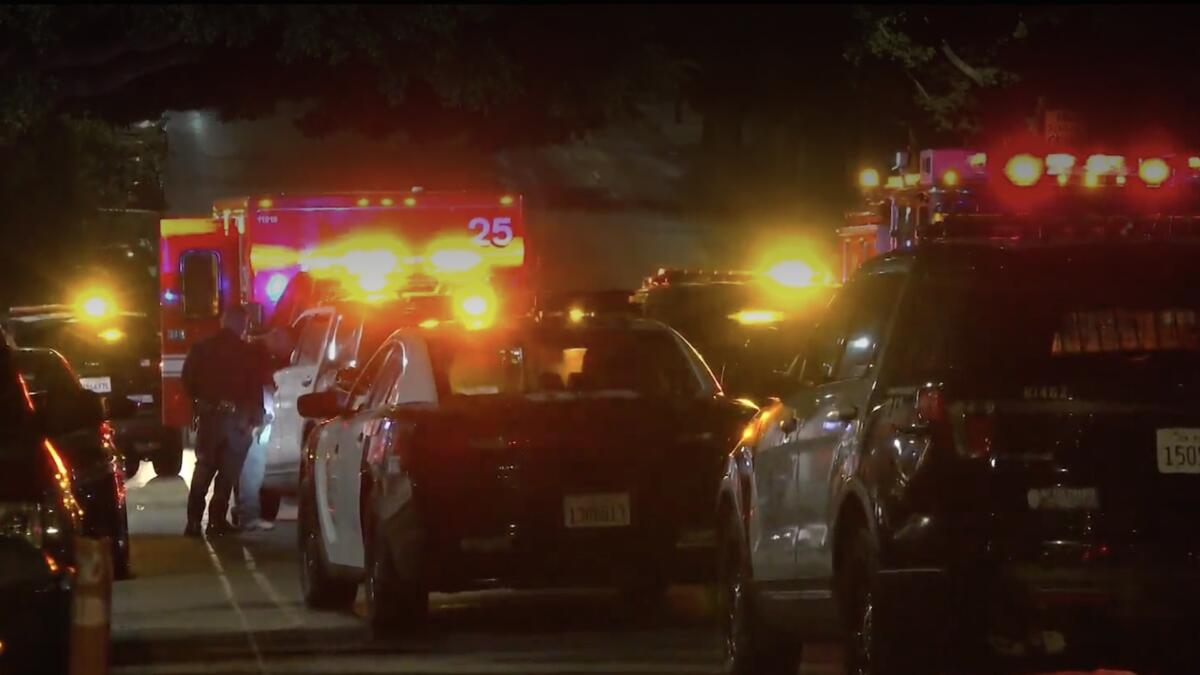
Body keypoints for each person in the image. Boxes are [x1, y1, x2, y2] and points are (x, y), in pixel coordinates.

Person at [181, 306, 273, 537]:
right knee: (228, 471)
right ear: (243, 325)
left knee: (204, 467)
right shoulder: (249, 353)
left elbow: (187, 381)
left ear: (223, 322)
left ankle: (193, 522)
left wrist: (200, 403)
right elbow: (256, 387)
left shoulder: (200, 349)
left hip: (210, 416)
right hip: (238, 418)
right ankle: (216, 521)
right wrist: (257, 416)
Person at [232, 326, 293, 532]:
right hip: (253, 418)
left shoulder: (252, 351)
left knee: (245, 466)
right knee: (253, 464)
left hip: (243, 416)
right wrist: (261, 418)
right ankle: (248, 516)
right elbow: (262, 386)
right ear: (277, 338)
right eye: (287, 345)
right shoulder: (259, 356)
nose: (288, 352)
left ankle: (243, 514)